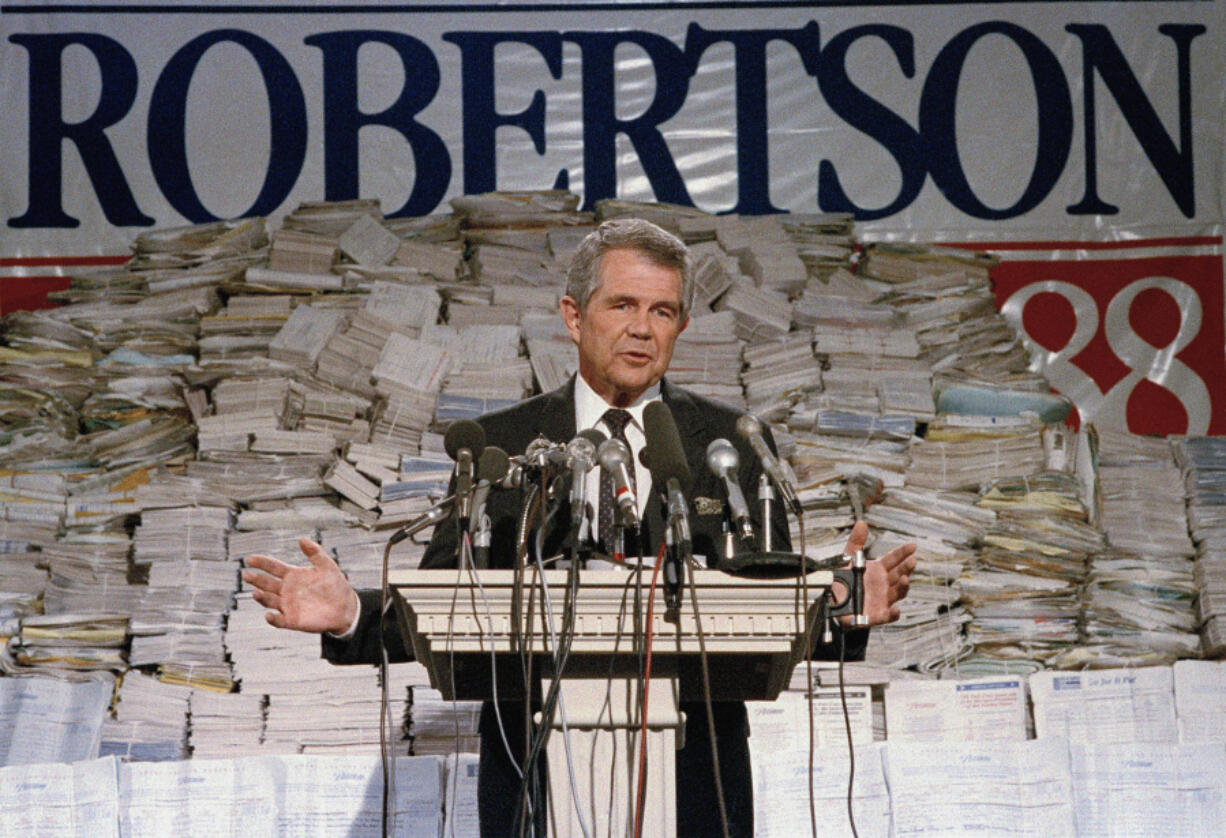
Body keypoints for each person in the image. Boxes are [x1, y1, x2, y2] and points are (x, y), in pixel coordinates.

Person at [244, 218, 918, 837]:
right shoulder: (502, 443)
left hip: (699, 783)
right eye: (622, 306)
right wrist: (351, 614)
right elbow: (448, 600)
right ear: (573, 315)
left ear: (682, 325)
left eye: (662, 312)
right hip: (533, 776)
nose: (643, 329)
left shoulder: (728, 441)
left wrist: (842, 606)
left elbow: (770, 604)